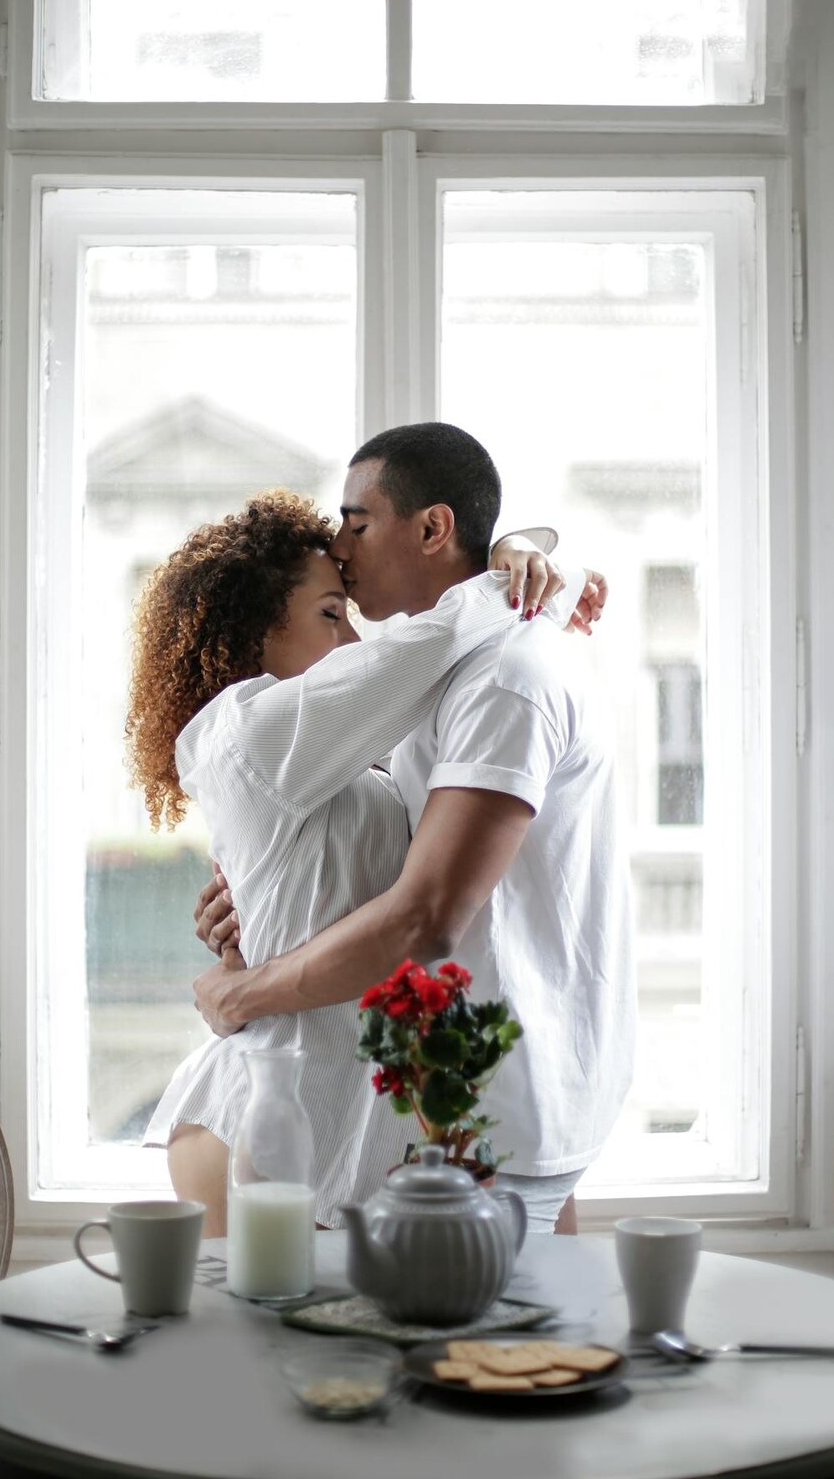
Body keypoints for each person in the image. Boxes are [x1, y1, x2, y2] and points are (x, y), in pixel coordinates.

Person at [192, 423, 635, 1237]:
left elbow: (425, 916)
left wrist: (245, 991)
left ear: (431, 528)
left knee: (484, 1362)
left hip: (492, 1113)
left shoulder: (506, 679)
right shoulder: (447, 674)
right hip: (457, 1102)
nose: (340, 542)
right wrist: (259, 892)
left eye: (356, 521)